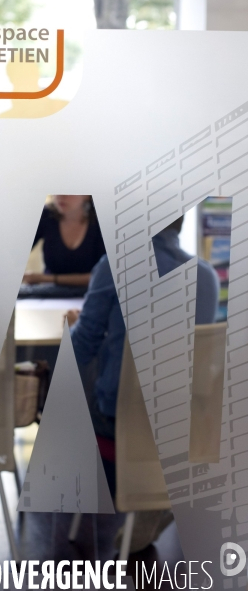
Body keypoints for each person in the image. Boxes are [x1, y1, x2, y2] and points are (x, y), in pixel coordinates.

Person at [68, 216, 219, 551]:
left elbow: (81, 348)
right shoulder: (207, 276)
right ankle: (163, 495)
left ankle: (136, 495)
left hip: (122, 427)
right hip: (187, 431)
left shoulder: (115, 266)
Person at [23, 195, 106, 287]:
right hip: (50, 293)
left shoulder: (102, 220)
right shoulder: (46, 215)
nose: (61, 196)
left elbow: (103, 277)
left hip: (93, 292)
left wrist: (44, 278)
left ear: (87, 196)